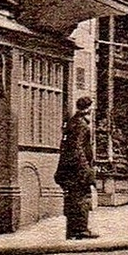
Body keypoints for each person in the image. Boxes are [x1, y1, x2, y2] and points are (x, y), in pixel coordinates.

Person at [54, 97, 98, 239]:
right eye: (92, 107)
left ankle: (73, 229)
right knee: (82, 198)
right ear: (88, 109)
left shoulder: (73, 122)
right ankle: (80, 229)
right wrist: (85, 168)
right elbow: (77, 149)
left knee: (73, 198)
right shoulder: (81, 125)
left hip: (71, 168)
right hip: (77, 169)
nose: (93, 110)